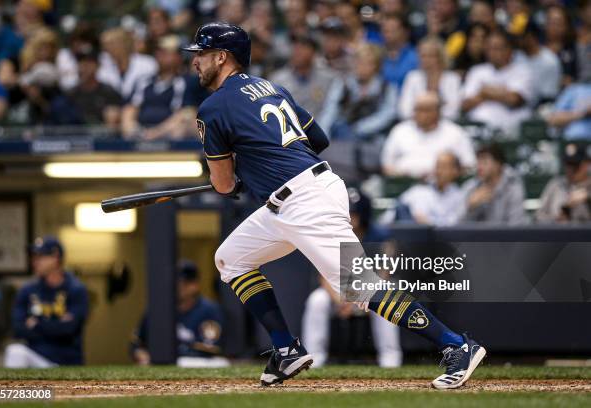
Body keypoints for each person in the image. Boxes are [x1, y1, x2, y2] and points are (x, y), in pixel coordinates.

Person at [182, 21, 485, 389]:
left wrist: (236, 177)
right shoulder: (273, 88)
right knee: (231, 259)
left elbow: (224, 183)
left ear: (222, 57)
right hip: (294, 196)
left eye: (201, 54)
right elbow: (318, 138)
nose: (196, 62)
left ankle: (457, 346)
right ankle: (286, 350)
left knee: (360, 287)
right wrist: (261, 162)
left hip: (304, 200)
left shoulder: (212, 107)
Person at [302, 188, 402, 368]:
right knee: (317, 300)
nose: (350, 217)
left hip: (371, 289)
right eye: (347, 212)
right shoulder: (329, 234)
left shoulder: (381, 236)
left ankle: (390, 358)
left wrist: (359, 300)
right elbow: (324, 275)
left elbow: (383, 274)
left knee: (388, 298)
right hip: (339, 288)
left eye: (354, 213)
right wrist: (341, 300)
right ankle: (314, 358)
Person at [4, 237, 89, 368]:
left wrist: (36, 324)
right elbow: (17, 328)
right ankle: (16, 389)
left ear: (56, 257)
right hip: (36, 358)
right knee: (15, 351)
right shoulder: (27, 290)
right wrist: (56, 325)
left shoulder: (76, 289)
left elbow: (69, 329)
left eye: (41, 257)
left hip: (67, 362)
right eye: (34, 257)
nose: (35, 262)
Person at [131, 261, 228, 368]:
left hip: (197, 364)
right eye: (173, 283)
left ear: (194, 285)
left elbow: (210, 350)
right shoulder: (156, 310)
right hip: (161, 365)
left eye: (182, 283)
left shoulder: (210, 310)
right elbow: (136, 344)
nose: (177, 287)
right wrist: (142, 355)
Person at [122, 35, 204, 140]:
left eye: (166, 52)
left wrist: (155, 133)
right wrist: (132, 129)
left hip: (170, 132)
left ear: (179, 57)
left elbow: (187, 112)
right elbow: (130, 108)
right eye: (158, 52)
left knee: (184, 122)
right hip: (142, 131)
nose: (160, 55)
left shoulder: (188, 82)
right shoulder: (143, 81)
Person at [381, 91, 476, 179]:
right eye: (417, 109)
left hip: (440, 187)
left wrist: (447, 175)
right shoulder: (400, 130)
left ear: (437, 112)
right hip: (402, 185)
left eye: (425, 110)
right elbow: (386, 165)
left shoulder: (455, 132)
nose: (419, 114)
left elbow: (468, 165)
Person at [461, 29, 534, 135]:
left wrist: (484, 92)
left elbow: (514, 100)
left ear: (509, 50)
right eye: (489, 48)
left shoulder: (523, 71)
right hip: (479, 129)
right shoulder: (477, 71)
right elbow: (466, 104)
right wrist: (501, 93)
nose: (492, 52)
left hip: (511, 131)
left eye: (497, 48)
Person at [318, 43, 397, 139]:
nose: (361, 66)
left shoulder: (387, 88)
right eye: (358, 62)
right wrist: (323, 135)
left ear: (377, 66)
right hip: (344, 134)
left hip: (373, 138)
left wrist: (361, 128)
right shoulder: (343, 83)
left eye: (367, 63)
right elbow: (330, 110)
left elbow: (388, 114)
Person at [270, 35, 334, 123]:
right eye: (296, 46)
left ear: (314, 53)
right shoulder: (277, 79)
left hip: (319, 129)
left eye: (304, 47)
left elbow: (330, 110)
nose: (298, 51)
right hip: (288, 131)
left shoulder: (327, 78)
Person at [461, 143, 528, 225]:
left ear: (498, 164)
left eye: (484, 162)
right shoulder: (471, 187)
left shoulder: (513, 187)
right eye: (478, 162)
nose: (479, 167)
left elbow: (516, 225)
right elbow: (458, 226)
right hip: (477, 237)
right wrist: (470, 207)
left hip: (505, 237)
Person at [398, 37, 462, 120]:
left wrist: (427, 116)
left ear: (440, 57)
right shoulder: (412, 77)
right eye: (423, 56)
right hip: (415, 124)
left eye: (431, 56)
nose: (426, 60)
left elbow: (453, 110)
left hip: (445, 124)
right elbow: (404, 109)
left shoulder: (452, 79)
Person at [397, 151, 466, 226]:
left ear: (455, 171)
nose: (439, 171)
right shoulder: (419, 190)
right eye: (437, 166)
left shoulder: (459, 196)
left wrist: (430, 221)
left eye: (444, 167)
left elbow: (453, 223)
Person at [536, 143, 591, 223]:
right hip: (558, 234)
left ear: (587, 164)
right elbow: (539, 218)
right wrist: (565, 208)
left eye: (575, 165)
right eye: (567, 164)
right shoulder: (555, 185)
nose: (570, 170)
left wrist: (588, 200)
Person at [98, 28, 158, 100]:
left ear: (125, 43)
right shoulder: (102, 67)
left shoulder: (148, 63)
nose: (108, 48)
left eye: (112, 44)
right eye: (105, 45)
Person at [516, 21, 562, 105]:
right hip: (516, 105)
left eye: (521, 36)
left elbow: (549, 96)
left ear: (532, 37)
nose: (517, 39)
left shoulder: (549, 61)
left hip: (542, 107)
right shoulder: (515, 56)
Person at [380, 13, 418, 89]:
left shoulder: (416, 56)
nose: (387, 33)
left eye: (392, 29)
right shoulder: (378, 55)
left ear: (406, 32)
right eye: (385, 30)